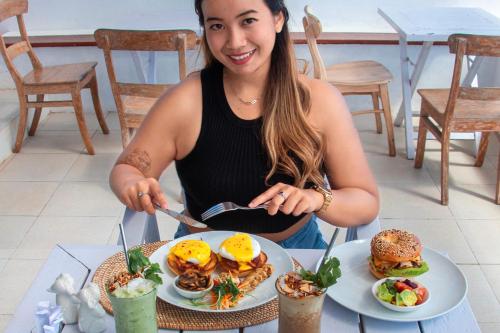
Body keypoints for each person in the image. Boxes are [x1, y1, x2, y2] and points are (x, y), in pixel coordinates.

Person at [109, 0, 379, 249]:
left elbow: (365, 201)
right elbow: (127, 168)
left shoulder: (321, 100)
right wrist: (134, 185)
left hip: (297, 248)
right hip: (202, 255)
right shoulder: (185, 101)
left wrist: (317, 199)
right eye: (217, 25)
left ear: (277, 19)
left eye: (248, 20)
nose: (234, 41)